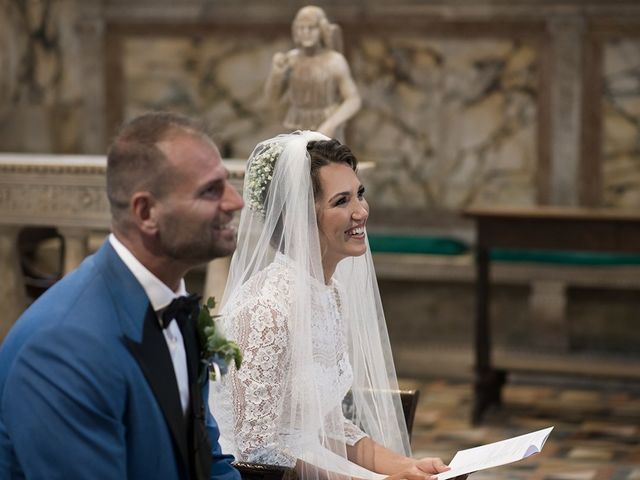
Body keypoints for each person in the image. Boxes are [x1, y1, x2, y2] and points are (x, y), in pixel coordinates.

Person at [0, 111, 244, 479]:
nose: (235, 202)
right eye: (210, 190)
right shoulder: (65, 346)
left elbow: (206, 463)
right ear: (146, 212)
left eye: (226, 183)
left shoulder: (177, 308)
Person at [210, 131, 455, 480]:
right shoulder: (266, 310)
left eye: (359, 195)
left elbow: (327, 423)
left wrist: (405, 466)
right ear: (300, 217)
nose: (361, 212)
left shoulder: (331, 294)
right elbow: (256, 453)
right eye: (341, 202)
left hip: (319, 464)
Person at [264, 5, 361, 140]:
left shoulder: (335, 61)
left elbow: (353, 99)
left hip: (328, 130)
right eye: (301, 28)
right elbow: (271, 99)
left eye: (311, 28)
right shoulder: (291, 60)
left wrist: (331, 124)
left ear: (321, 29)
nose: (306, 32)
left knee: (328, 160)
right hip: (298, 127)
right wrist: (276, 74)